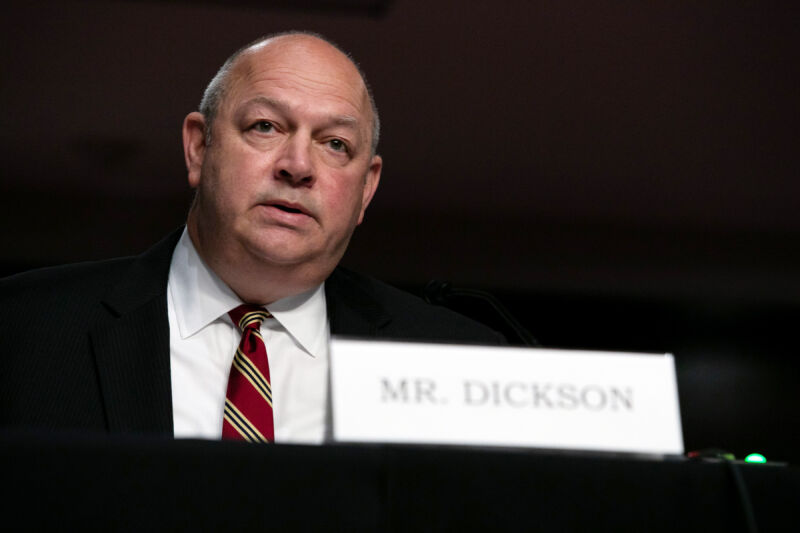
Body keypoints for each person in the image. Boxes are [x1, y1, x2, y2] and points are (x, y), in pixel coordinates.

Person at [0, 32, 503, 442]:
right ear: (199, 148)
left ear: (366, 189)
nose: (298, 166)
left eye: (334, 144)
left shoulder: (460, 363)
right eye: (266, 126)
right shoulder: (24, 327)